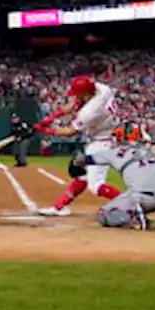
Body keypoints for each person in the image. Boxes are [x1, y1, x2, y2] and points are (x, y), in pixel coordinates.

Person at [36, 76, 123, 216]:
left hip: (102, 143)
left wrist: (47, 130)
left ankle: (129, 204)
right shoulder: (102, 89)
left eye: (79, 94)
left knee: (95, 185)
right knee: (83, 177)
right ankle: (59, 207)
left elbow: (70, 131)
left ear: (87, 94)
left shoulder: (90, 111)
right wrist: (51, 118)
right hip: (107, 136)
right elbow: (73, 104)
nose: (76, 96)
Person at [72, 143, 155, 230]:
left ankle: (132, 218)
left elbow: (82, 160)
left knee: (104, 214)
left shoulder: (113, 152)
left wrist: (75, 159)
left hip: (145, 199)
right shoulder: (152, 148)